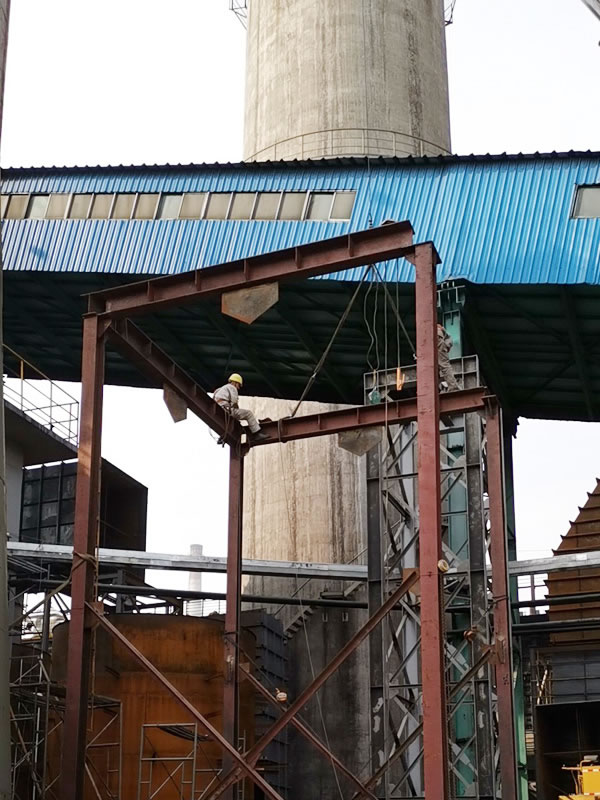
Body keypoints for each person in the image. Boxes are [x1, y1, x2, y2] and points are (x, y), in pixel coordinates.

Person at [213, 373, 268, 441]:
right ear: (235, 383)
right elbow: (234, 402)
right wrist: (238, 414)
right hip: (226, 409)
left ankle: (222, 436)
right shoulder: (232, 387)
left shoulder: (220, 389)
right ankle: (257, 434)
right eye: (238, 385)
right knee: (248, 413)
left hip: (220, 410)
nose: (238, 388)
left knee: (230, 420)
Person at [437, 323, 460, 392]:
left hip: (430, 335)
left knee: (435, 366)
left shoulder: (445, 337)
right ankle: (453, 387)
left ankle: (435, 389)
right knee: (444, 365)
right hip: (434, 335)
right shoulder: (444, 340)